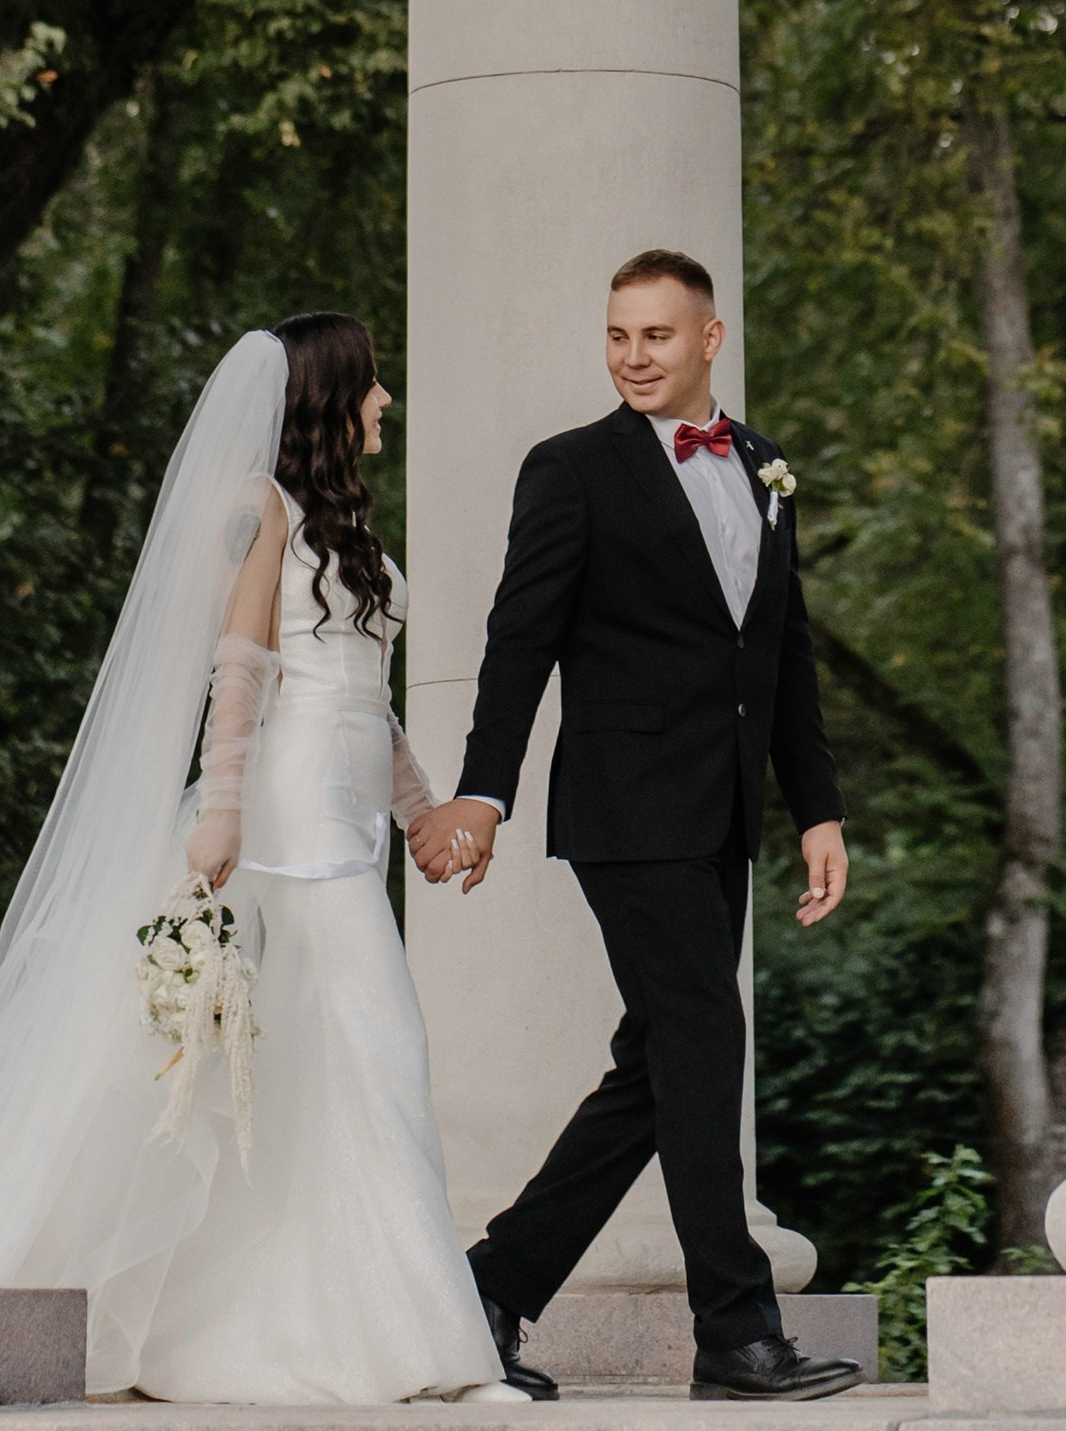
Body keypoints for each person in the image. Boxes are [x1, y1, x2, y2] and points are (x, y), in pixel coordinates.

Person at [0, 317, 521, 1407]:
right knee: (379, 1049)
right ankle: (432, 1350)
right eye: (374, 383)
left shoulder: (350, 535)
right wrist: (222, 810)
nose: (387, 401)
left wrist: (426, 815)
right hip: (282, 826)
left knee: (325, 1072)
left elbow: (359, 702)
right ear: (332, 398)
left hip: (350, 828)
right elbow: (237, 667)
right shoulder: (261, 511)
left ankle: (339, 1327)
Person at [407, 250, 861, 1405]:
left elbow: (781, 651)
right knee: (703, 1036)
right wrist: (482, 790)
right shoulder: (569, 470)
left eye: (655, 336)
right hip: (625, 804)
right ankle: (735, 1329)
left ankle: (491, 1290)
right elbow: (521, 641)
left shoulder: (761, 466)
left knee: (662, 1061)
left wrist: (818, 807)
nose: (632, 357)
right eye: (617, 336)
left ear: (709, 339)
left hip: (725, 814)